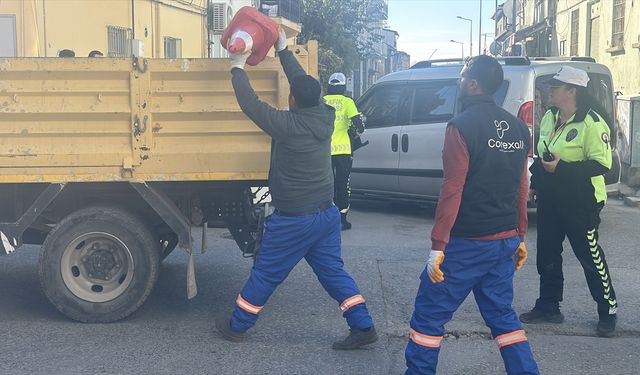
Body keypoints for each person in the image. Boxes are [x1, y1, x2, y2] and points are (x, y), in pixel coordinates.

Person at [215, 30, 378, 350]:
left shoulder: (286, 125)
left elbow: (250, 103)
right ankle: (363, 326)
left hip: (293, 221)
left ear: (293, 100)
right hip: (325, 215)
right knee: (333, 273)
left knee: (265, 275)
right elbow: (303, 82)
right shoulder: (326, 115)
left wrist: (237, 65)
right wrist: (283, 49)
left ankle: (237, 326)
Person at [404, 55, 539, 375]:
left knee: (428, 317)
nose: (459, 81)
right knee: (504, 319)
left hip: (467, 243)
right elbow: (523, 187)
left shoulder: (461, 127)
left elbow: (453, 189)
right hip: (504, 240)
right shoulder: (520, 128)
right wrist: (520, 235)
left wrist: (438, 246)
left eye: (463, 76)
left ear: (474, 84)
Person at [520, 66, 618, 337]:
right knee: (548, 254)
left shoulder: (592, 122)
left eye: (556, 87)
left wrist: (560, 170)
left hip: (581, 201)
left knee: (590, 257)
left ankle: (607, 310)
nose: (549, 91)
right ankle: (549, 306)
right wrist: (536, 185)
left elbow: (602, 165)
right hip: (552, 198)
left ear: (572, 91)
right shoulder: (551, 116)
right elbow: (544, 155)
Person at [323, 73, 364, 230]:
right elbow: (359, 126)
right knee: (343, 183)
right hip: (343, 151)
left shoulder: (323, 101)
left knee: (327, 184)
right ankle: (342, 220)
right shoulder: (348, 102)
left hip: (324, 150)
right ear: (343, 87)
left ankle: (327, 217)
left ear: (329, 86)